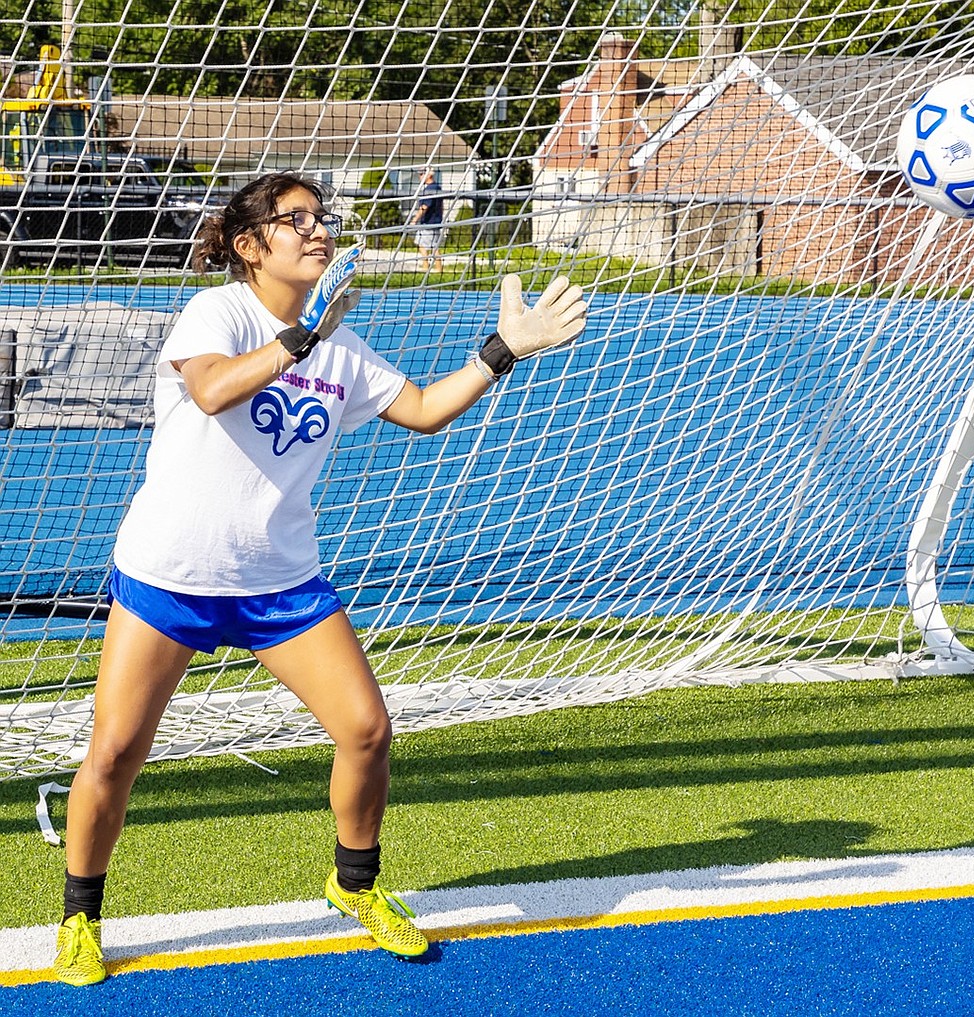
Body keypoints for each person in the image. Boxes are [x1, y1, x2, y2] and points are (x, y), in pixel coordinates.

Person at [52, 169, 587, 986]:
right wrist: (298, 340)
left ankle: (354, 883)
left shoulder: (338, 345)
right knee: (117, 750)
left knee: (368, 730)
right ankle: (80, 918)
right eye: (294, 219)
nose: (316, 229)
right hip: (170, 574)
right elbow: (210, 388)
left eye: (320, 216)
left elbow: (425, 409)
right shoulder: (219, 312)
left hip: (281, 582)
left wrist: (502, 350)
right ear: (248, 244)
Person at [409, 166, 445, 272]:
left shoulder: (430, 189)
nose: (420, 176)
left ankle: (428, 268)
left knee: (424, 245)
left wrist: (414, 220)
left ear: (429, 175)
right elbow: (441, 206)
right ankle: (437, 269)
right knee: (433, 246)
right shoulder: (437, 187)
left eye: (421, 174)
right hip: (436, 222)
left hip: (429, 223)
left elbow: (424, 207)